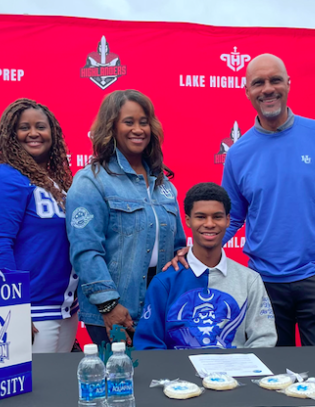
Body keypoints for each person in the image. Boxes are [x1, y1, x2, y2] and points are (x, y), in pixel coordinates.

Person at [167, 54, 315, 347]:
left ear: (288, 84)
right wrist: (196, 255)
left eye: (275, 80)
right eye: (258, 83)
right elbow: (231, 216)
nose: (268, 89)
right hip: (263, 283)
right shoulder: (238, 153)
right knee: (272, 377)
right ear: (247, 91)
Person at [66, 89, 186, 347]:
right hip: (117, 313)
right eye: (128, 122)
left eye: (144, 122)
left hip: (161, 311)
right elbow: (85, 251)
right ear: (111, 127)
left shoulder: (162, 182)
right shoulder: (91, 180)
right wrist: (109, 304)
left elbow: (178, 246)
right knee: (121, 384)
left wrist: (184, 255)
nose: (138, 129)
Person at [0, 98, 79, 353]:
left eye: (41, 126)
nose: (33, 133)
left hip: (65, 310)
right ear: (11, 134)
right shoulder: (4, 178)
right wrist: (14, 307)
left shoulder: (57, 183)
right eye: (24, 127)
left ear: (52, 133)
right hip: (32, 311)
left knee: (58, 389)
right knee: (37, 389)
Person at [134, 182, 277, 350]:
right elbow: (148, 346)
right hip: (179, 375)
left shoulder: (249, 280)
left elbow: (263, 340)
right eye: (201, 217)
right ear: (188, 220)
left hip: (237, 375)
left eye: (217, 216)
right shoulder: (164, 283)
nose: (209, 224)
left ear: (227, 220)